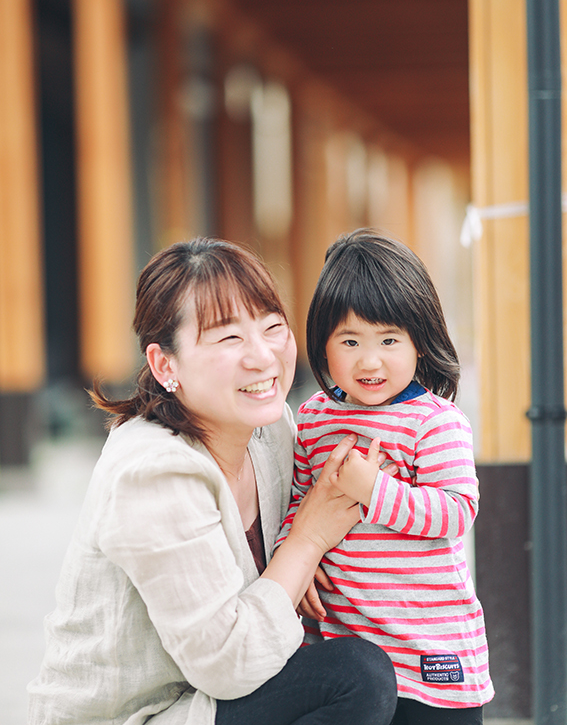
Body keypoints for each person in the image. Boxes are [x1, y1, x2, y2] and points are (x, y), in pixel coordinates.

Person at [28, 237, 397, 725]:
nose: (263, 357)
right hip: (145, 714)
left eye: (271, 328)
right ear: (165, 365)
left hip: (213, 702)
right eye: (229, 339)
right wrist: (306, 541)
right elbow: (227, 664)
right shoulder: (152, 472)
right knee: (356, 675)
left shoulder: (270, 432)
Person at [276, 229, 494, 725]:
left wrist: (373, 490)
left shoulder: (435, 421)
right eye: (349, 340)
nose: (369, 360)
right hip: (344, 643)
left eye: (389, 339)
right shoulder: (313, 418)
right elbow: (298, 500)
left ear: (421, 342)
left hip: (430, 653)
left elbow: (456, 511)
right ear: (323, 345)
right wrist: (297, 556)